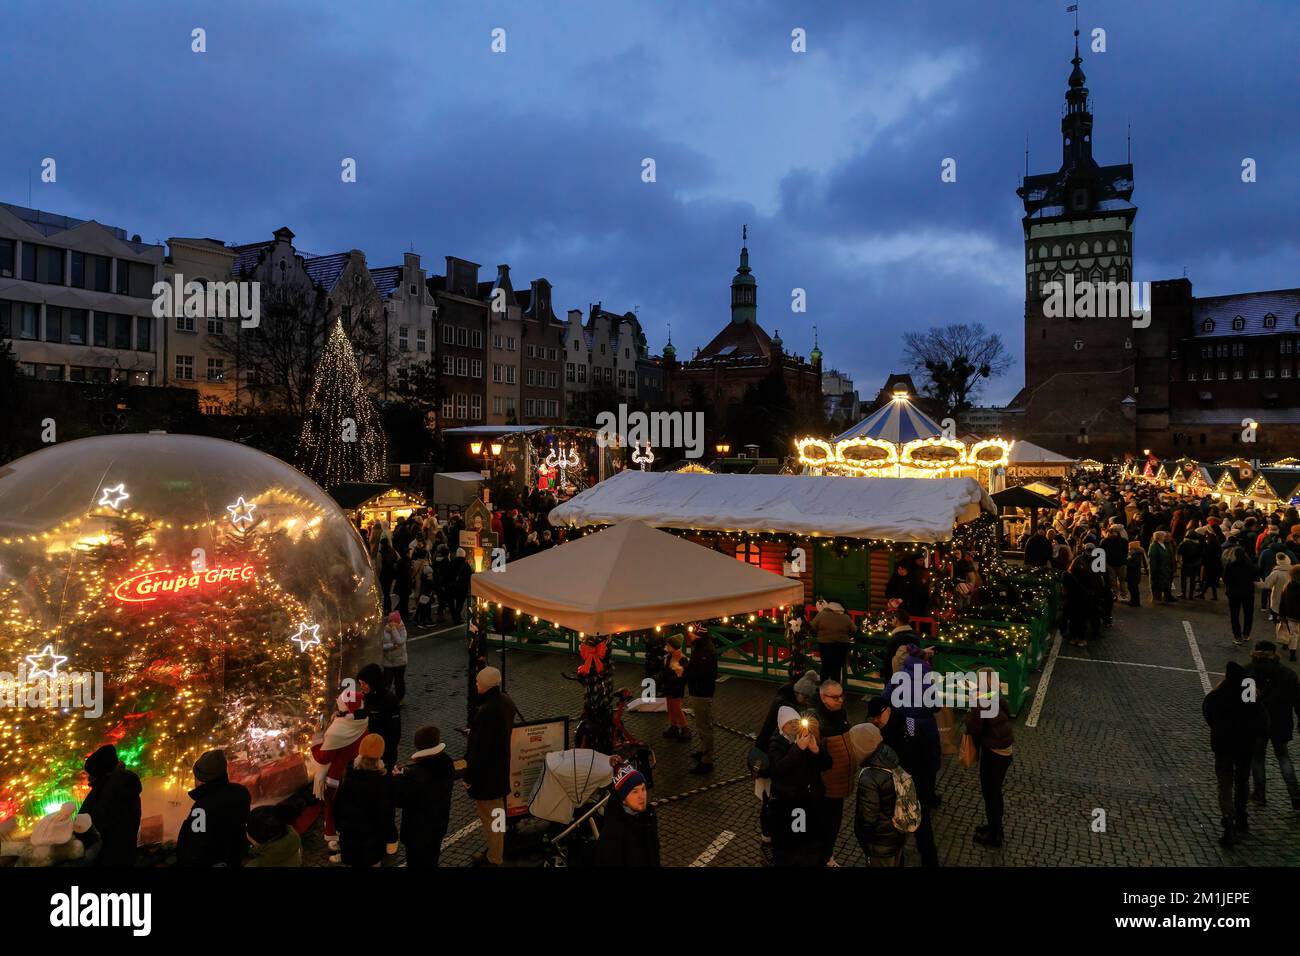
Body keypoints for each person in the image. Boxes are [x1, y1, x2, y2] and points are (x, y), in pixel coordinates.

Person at [1203, 661, 1268, 847]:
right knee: (1242, 780)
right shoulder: (1250, 697)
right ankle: (1241, 816)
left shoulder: (1218, 695)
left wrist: (1217, 728)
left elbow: (1207, 711)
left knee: (1225, 782)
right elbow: (1263, 719)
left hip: (1223, 744)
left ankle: (1228, 819)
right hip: (1245, 745)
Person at [888, 645, 941, 867]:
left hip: (905, 732)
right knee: (922, 809)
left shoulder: (899, 678)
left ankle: (897, 857)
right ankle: (930, 859)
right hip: (925, 731)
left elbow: (888, 701)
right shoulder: (928, 678)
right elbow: (935, 707)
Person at [464, 666, 518, 866]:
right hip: (499, 771)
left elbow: (480, 750)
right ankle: (497, 850)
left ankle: (495, 857)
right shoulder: (505, 702)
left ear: (486, 685)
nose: (476, 684)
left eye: (478, 682)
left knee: (492, 820)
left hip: (487, 778)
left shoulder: (487, 712)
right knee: (497, 815)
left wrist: (469, 777)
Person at [767, 707, 831, 867]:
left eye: (796, 721)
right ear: (782, 726)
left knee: (809, 842)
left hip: (810, 801)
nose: (795, 725)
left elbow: (827, 764)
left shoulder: (806, 738)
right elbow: (778, 770)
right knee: (791, 844)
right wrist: (798, 749)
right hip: (790, 803)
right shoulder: (776, 744)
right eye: (790, 723)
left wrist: (816, 750)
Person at [1245, 641, 1300, 811]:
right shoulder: (1288, 674)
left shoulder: (1247, 672)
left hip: (1257, 722)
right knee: (1283, 757)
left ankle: (1260, 794)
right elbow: (1298, 701)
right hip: (1281, 722)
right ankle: (1295, 795)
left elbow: (1245, 702)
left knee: (1258, 758)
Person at [175, 750, 251, 867]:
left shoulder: (201, 808)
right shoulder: (241, 792)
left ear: (201, 778)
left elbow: (194, 845)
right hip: (235, 857)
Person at [393, 726, 455, 867]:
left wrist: (398, 779)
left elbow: (400, 800)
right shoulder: (447, 762)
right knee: (432, 859)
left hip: (416, 831)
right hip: (438, 824)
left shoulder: (414, 775)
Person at [966, 668, 1014, 848]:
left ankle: (994, 834)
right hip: (1004, 751)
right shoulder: (996, 696)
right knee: (994, 792)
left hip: (994, 753)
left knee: (991, 793)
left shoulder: (981, 700)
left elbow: (975, 727)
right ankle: (994, 827)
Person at [332, 734, 395, 867]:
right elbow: (386, 814)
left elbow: (337, 805)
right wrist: (390, 838)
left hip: (349, 838)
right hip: (373, 841)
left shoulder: (348, 774)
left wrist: (340, 828)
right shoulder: (382, 781)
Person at [849, 722, 907, 867]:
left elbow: (868, 817)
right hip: (896, 834)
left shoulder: (869, 777)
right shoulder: (889, 758)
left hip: (881, 843)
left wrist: (863, 837)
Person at [78, 744, 141, 868]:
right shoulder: (117, 784)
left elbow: (98, 822)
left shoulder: (111, 789)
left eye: (92, 773)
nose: (89, 778)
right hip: (122, 854)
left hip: (110, 856)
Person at [812, 678, 853, 865]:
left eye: (841, 696)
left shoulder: (841, 713)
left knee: (834, 824)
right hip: (825, 787)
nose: (840, 700)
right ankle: (822, 857)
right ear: (822, 697)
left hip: (840, 785)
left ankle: (827, 855)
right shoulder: (815, 720)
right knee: (824, 826)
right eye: (835, 697)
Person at [596, 762, 661, 866]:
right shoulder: (613, 833)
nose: (642, 796)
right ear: (623, 799)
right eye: (635, 792)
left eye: (643, 789)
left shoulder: (649, 815)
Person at [685, 628, 718, 774]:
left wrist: (684, 672)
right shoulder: (702, 648)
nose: (689, 635)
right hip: (700, 691)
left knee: (704, 725)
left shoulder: (703, 652)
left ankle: (707, 760)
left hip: (701, 692)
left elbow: (700, 674)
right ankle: (704, 751)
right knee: (701, 724)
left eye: (691, 633)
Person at [359, 662, 401, 772]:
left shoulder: (390, 700)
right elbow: (365, 713)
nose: (361, 687)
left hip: (384, 754)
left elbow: (395, 732)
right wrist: (345, 714)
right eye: (360, 683)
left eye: (364, 683)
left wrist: (386, 757)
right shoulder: (368, 697)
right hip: (371, 749)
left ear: (373, 682)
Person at [810, 599, 854, 685]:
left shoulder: (822, 615)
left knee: (825, 667)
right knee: (836, 668)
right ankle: (835, 688)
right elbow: (853, 629)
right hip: (841, 646)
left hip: (825, 645)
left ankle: (823, 687)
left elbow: (813, 626)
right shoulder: (845, 617)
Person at [1223, 546, 1259, 646]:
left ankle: (1237, 636)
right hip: (1248, 592)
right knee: (1248, 614)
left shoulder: (1231, 565)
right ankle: (1246, 634)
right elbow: (1256, 578)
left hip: (1234, 592)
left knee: (1234, 615)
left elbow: (1226, 579)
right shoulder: (1251, 565)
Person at [1062, 554, 1097, 648]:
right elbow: (1093, 585)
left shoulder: (1068, 574)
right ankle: (1081, 638)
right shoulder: (1088, 573)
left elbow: (1065, 587)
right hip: (1084, 599)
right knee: (1082, 619)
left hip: (1072, 599)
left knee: (1073, 618)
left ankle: (1073, 637)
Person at [661, 635, 691, 742]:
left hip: (677, 687)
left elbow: (684, 676)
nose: (667, 647)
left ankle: (685, 727)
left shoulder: (682, 659)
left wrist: (676, 676)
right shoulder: (668, 657)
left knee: (677, 708)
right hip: (669, 686)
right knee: (670, 706)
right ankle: (673, 726)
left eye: (669, 645)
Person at [382, 611, 409, 706]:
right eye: (390, 621)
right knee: (386, 682)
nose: (392, 623)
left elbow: (400, 641)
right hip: (387, 661)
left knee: (399, 681)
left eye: (394, 621)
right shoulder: (385, 629)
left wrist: (394, 630)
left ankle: (400, 698)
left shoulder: (402, 629)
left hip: (400, 661)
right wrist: (392, 646)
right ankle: (385, 699)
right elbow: (382, 645)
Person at [1278, 565, 1300, 662]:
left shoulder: (1287, 586)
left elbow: (1282, 601)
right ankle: (1291, 651)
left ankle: (1291, 651)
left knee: (1293, 633)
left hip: (1290, 615)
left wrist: (1281, 614)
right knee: (1295, 633)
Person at [1147, 531, 1174, 605]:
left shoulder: (1162, 545)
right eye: (1164, 536)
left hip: (1164, 568)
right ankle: (1156, 599)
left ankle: (1160, 598)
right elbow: (1153, 560)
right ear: (1159, 537)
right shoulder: (1154, 546)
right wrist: (1154, 570)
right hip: (1157, 569)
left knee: (1162, 583)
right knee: (1156, 583)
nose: (1165, 537)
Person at [1177, 528, 1204, 600]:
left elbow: (1179, 552)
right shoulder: (1198, 544)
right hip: (1195, 564)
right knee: (1192, 580)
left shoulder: (1184, 543)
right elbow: (1201, 555)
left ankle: (1183, 593)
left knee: (1183, 579)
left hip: (1185, 563)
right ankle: (1191, 595)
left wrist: (1179, 561)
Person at [448, 547, 472, 622]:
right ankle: (457, 617)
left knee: (452, 602)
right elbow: (469, 576)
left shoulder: (451, 563)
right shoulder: (466, 565)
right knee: (460, 602)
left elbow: (448, 574)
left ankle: (454, 615)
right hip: (462, 587)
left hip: (452, 586)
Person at [1125, 539, 1148, 607]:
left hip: (1133, 575)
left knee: (1133, 589)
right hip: (1135, 575)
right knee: (1134, 589)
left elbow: (1133, 564)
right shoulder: (1137, 554)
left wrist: (1127, 562)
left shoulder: (1135, 556)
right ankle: (1134, 601)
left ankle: (1134, 602)